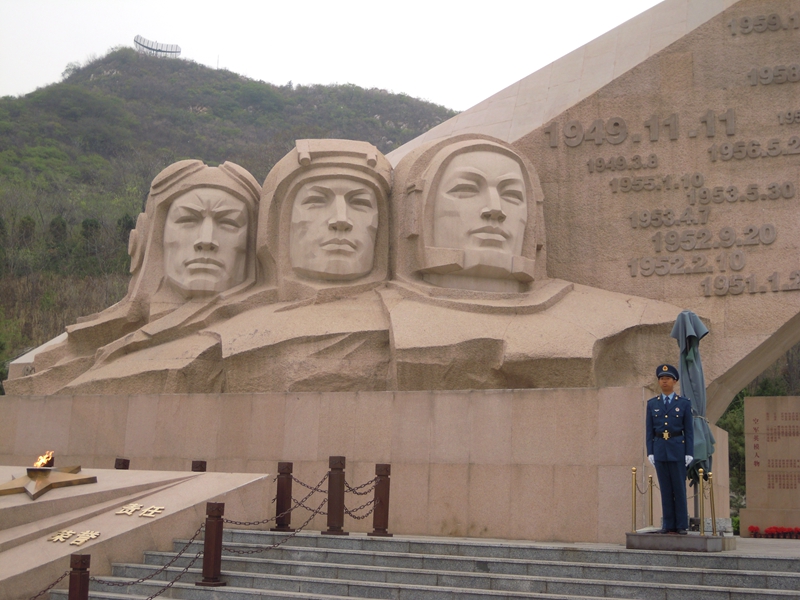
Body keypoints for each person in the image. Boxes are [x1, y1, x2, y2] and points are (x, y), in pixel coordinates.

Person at [646, 364, 694, 534]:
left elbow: (689, 430)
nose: (664, 381)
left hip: (677, 450)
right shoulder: (652, 404)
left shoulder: (683, 403)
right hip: (660, 450)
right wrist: (650, 451)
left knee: (679, 489)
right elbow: (649, 430)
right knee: (665, 489)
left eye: (667, 378)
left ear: (674, 381)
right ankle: (668, 524)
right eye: (661, 378)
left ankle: (681, 524)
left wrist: (689, 452)